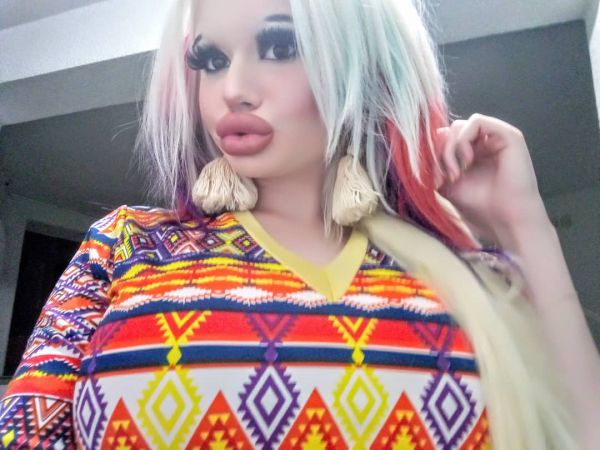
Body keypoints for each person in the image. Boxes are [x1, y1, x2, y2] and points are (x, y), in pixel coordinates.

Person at [1, 0, 599, 448]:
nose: (233, 90)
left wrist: (526, 227)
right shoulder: (127, 243)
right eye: (211, 60)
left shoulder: (468, 277)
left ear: (365, 62)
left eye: (281, 46)